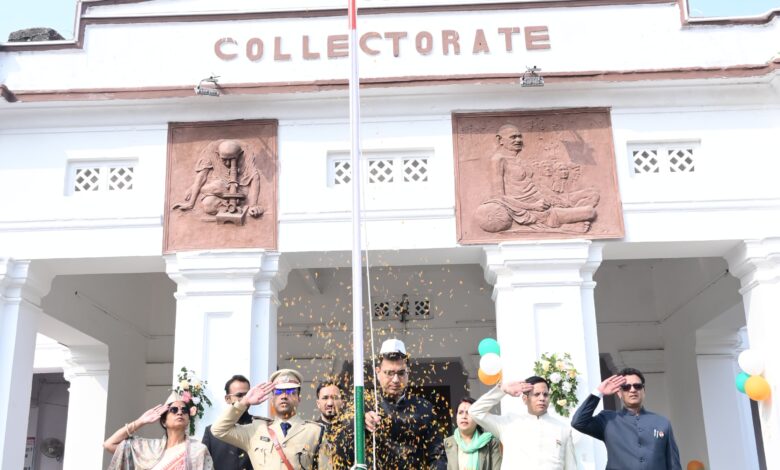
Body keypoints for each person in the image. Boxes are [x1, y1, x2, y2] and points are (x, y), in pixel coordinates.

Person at [329, 338, 447, 469]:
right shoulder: (362, 404)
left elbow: (437, 455)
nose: (395, 380)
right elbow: (339, 444)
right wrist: (358, 421)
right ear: (378, 371)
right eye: (389, 373)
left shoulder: (424, 408)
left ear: (408, 372)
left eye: (401, 373)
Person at [474, 124, 599, 233]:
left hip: (545, 200)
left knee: (592, 194)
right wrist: (533, 206)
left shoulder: (519, 160)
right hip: (534, 209)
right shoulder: (498, 160)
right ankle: (563, 223)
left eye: (519, 137)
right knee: (590, 212)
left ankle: (567, 217)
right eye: (513, 137)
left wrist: (555, 198)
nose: (518, 140)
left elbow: (535, 185)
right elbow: (499, 197)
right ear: (500, 140)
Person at [211, 369, 327, 470]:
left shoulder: (316, 432)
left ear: (298, 398)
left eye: (291, 392)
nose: (284, 396)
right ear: (272, 399)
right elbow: (218, 430)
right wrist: (244, 402)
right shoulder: (256, 429)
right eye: (278, 392)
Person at [571, 368, 682, 470]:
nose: (632, 390)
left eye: (637, 386)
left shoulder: (662, 422)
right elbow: (578, 422)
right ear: (619, 393)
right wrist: (599, 392)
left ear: (643, 391)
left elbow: (673, 464)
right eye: (626, 387)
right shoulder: (607, 420)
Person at [469, 376, 576, 470]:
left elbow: (571, 467)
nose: (542, 398)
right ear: (525, 398)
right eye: (536, 394)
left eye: (545, 394)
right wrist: (502, 390)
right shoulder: (509, 423)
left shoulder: (563, 429)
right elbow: (475, 412)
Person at [104, 392, 214, 470]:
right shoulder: (148, 449)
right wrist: (140, 421)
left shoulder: (198, 450)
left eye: (184, 410)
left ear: (188, 420)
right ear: (164, 422)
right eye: (174, 410)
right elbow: (109, 444)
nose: (180, 413)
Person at [171, 139, 263, 218]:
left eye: (231, 159)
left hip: (240, 189)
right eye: (224, 159)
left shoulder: (246, 152)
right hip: (219, 188)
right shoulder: (211, 150)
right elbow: (201, 176)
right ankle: (230, 205)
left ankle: (237, 204)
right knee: (208, 205)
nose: (227, 163)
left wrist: (253, 205)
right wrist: (191, 203)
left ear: (240, 154)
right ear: (218, 153)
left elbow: (255, 177)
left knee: (208, 188)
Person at [202, 375, 253, 470]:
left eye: (247, 395)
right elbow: (204, 465)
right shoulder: (211, 432)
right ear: (227, 399)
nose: (244, 399)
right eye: (239, 395)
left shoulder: (259, 426)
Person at [443, 397, 502, 470]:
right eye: (460, 412)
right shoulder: (447, 444)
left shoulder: (491, 443)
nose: (464, 416)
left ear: (477, 418)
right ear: (456, 417)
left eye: (468, 413)